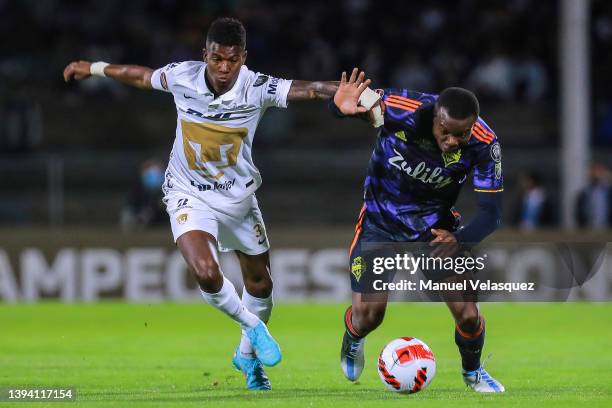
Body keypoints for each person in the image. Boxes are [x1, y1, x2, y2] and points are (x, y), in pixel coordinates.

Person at [63, 17, 341, 391]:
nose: (223, 68)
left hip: (238, 198)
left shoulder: (255, 87)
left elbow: (308, 89)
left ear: (243, 57)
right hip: (187, 191)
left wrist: (356, 94)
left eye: (231, 60)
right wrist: (95, 68)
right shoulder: (182, 77)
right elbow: (140, 76)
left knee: (261, 285)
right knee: (206, 271)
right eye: (216, 59)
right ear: (204, 55)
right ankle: (253, 327)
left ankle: (246, 358)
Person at [331, 72, 505, 392]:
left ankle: (473, 373)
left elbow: (492, 214)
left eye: (462, 134)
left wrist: (460, 238)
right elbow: (350, 98)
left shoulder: (483, 143)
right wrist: (337, 108)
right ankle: (354, 338)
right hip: (380, 221)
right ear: (437, 117)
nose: (454, 141)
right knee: (369, 316)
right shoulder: (402, 108)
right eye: (447, 133)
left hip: (434, 230)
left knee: (467, 314)